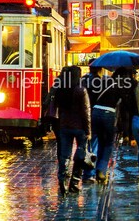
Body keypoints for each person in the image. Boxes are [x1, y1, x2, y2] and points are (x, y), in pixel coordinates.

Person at [55, 66, 91, 196]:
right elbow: (86, 112)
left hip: (64, 126)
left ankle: (62, 180)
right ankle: (74, 183)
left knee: (65, 155)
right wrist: (88, 131)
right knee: (80, 157)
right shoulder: (81, 90)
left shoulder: (61, 90)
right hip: (80, 127)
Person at [91, 68, 124, 183]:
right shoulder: (118, 87)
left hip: (95, 113)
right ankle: (102, 169)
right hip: (108, 114)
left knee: (99, 142)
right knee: (108, 144)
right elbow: (119, 106)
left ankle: (94, 170)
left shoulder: (99, 84)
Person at [81, 59, 103, 183]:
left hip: (83, 117)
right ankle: (89, 173)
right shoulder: (100, 82)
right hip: (95, 116)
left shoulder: (82, 81)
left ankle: (84, 173)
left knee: (84, 146)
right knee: (94, 145)